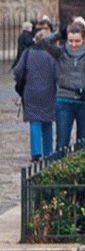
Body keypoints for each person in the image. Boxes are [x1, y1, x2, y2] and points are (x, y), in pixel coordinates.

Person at [40, 18, 85, 151]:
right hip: (64, 100)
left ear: (84, 39)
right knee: (62, 141)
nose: (73, 44)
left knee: (83, 142)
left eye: (77, 41)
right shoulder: (60, 52)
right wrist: (60, 34)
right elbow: (44, 42)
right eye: (70, 40)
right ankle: (60, 168)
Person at [13, 29, 58, 160]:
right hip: (48, 92)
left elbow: (17, 71)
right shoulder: (53, 56)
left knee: (34, 121)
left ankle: (36, 152)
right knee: (47, 121)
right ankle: (48, 151)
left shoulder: (27, 53)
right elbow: (58, 76)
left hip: (31, 92)